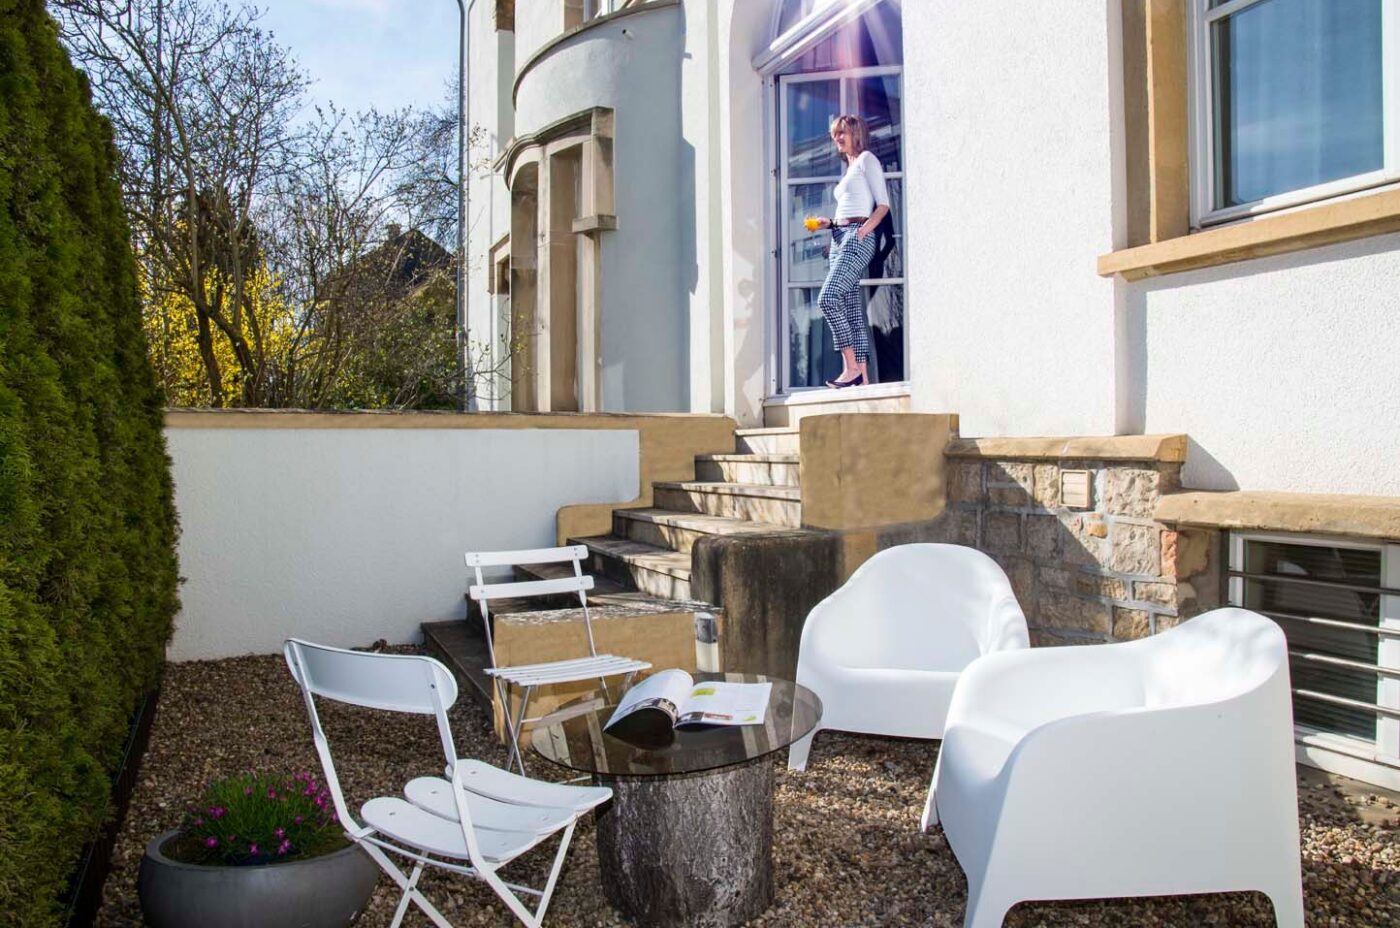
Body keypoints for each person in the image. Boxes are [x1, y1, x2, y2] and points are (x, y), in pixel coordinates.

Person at [811, 114, 891, 388]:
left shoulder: (867, 160)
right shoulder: (850, 167)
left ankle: (852, 367)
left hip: (856, 236)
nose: (837, 139)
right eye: (834, 135)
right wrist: (830, 223)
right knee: (852, 309)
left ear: (855, 133)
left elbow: (883, 205)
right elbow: (849, 207)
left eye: (841, 133)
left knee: (827, 298)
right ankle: (864, 380)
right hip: (838, 236)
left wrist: (864, 231)